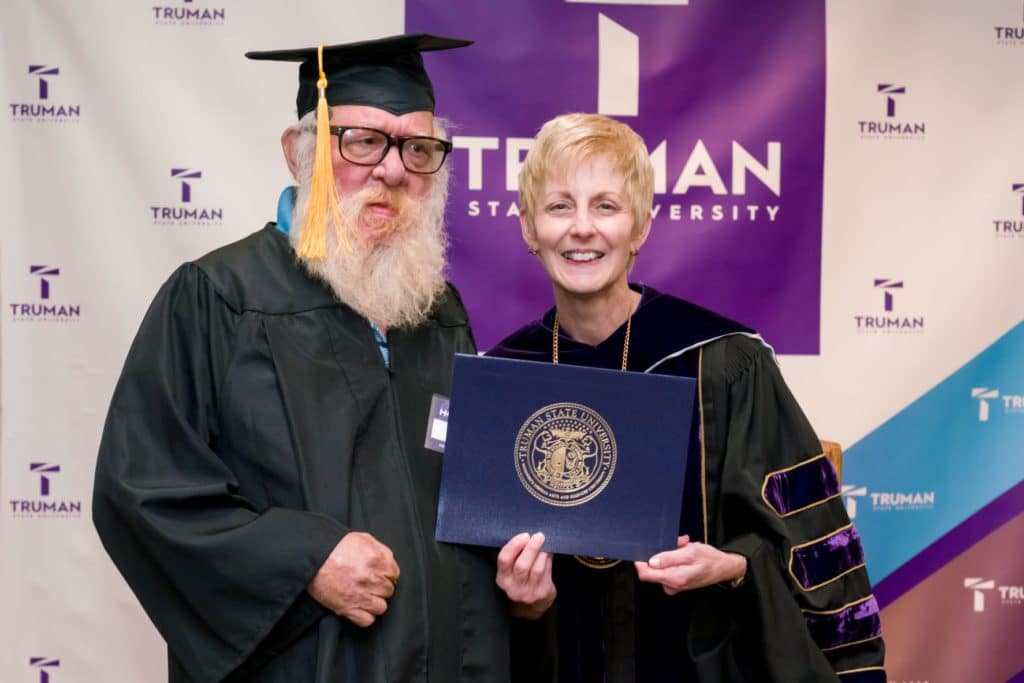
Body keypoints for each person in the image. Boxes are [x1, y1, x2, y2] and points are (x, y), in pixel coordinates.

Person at [92, 34, 509, 683]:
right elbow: (145, 493)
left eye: (418, 148)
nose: (393, 170)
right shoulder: (220, 299)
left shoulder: (436, 312)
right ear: (299, 152)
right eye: (362, 141)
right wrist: (306, 559)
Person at [489, 113, 886, 682]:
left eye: (606, 206)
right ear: (529, 228)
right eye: (559, 207)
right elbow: (465, 590)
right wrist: (522, 605)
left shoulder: (724, 363)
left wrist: (734, 566)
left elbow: (810, 545)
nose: (582, 228)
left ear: (641, 227)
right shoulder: (504, 377)